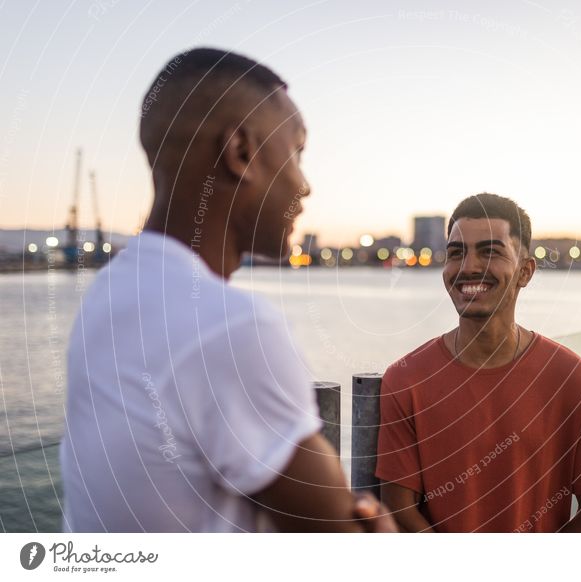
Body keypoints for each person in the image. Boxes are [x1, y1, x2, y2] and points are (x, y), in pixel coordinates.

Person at [60, 47, 395, 532]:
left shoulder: (107, 294)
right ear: (242, 154)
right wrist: (374, 522)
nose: (306, 186)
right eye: (297, 153)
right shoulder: (230, 326)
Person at [375, 193, 581, 532]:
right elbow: (398, 512)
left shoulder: (575, 381)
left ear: (525, 271)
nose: (468, 267)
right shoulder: (405, 380)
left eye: (490, 251)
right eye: (456, 253)